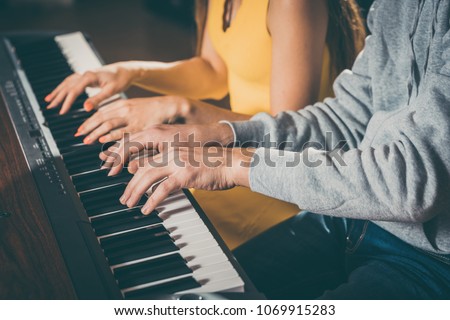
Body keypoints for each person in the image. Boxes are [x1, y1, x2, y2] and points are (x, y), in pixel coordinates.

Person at [100, 0, 450, 299]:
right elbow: (348, 117)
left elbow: (410, 185)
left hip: (432, 259)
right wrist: (222, 135)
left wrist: (230, 163)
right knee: (189, 298)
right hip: (360, 215)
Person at [44, 0, 366, 248]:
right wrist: (131, 71)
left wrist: (178, 107)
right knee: (135, 192)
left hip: (278, 178)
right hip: (231, 150)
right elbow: (214, 71)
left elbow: (289, 133)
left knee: (153, 228)